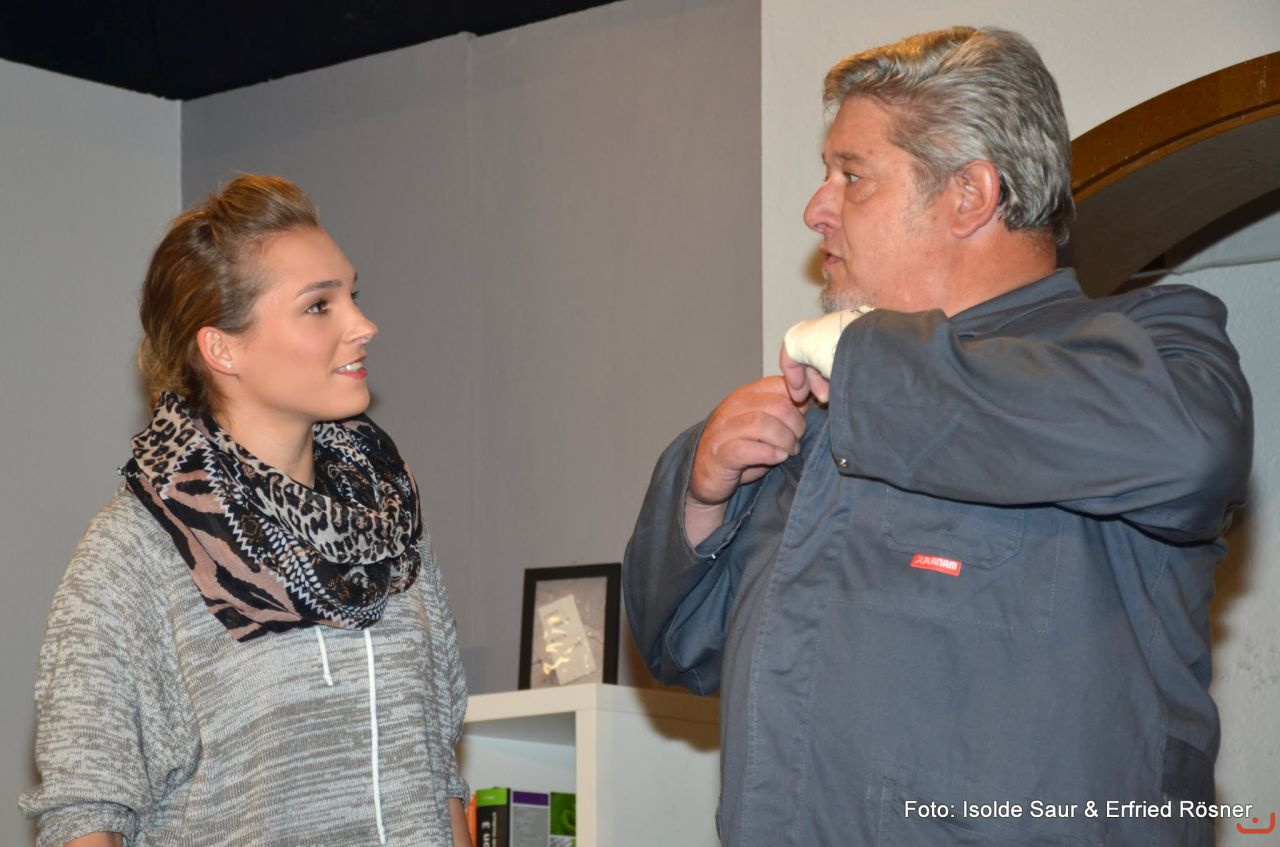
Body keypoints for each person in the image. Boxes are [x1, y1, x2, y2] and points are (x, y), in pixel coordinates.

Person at [624, 26, 1252, 846]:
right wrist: (702, 495)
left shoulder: (1149, 348)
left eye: (852, 176)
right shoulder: (815, 412)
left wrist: (864, 359)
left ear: (968, 194)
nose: (816, 209)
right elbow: (682, 650)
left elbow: (1191, 452)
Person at [20, 175, 471, 847]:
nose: (362, 325)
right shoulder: (135, 551)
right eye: (318, 306)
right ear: (222, 348)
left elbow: (439, 774)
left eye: (352, 296)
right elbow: (83, 813)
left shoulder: (389, 521)